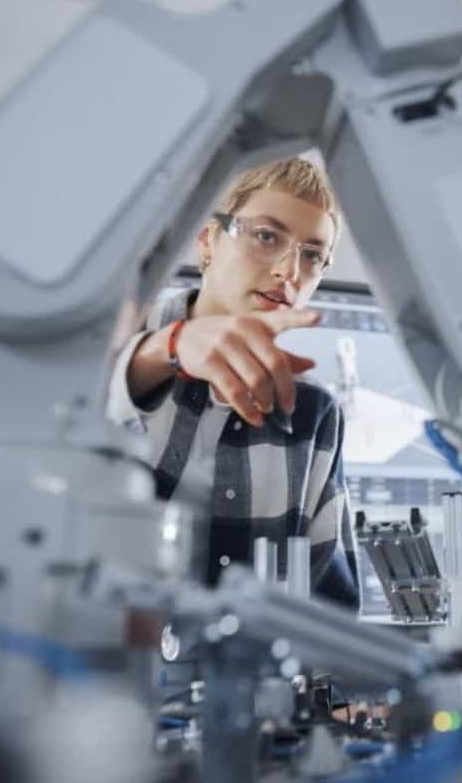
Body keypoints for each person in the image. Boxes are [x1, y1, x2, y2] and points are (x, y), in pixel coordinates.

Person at [107, 156, 358, 607]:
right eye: (266, 237)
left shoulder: (311, 415)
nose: (289, 272)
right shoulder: (107, 338)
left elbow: (330, 605)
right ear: (207, 242)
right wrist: (168, 348)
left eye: (312, 255)